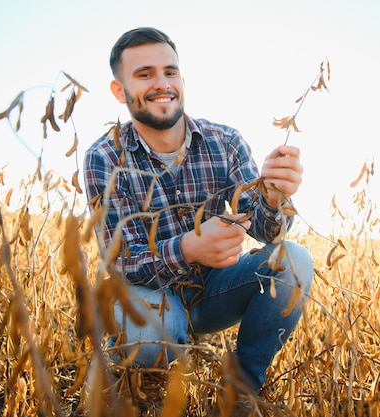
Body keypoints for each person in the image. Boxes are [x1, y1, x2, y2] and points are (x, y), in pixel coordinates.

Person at [83, 26, 313, 394]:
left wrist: (272, 198)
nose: (162, 83)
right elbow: (120, 260)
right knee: (144, 329)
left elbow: (268, 232)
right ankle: (143, 381)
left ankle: (242, 389)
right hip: (151, 297)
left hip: (214, 291)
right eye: (144, 75)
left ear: (182, 80)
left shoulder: (225, 141)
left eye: (170, 72)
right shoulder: (104, 157)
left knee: (294, 261)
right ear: (119, 90)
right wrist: (189, 247)